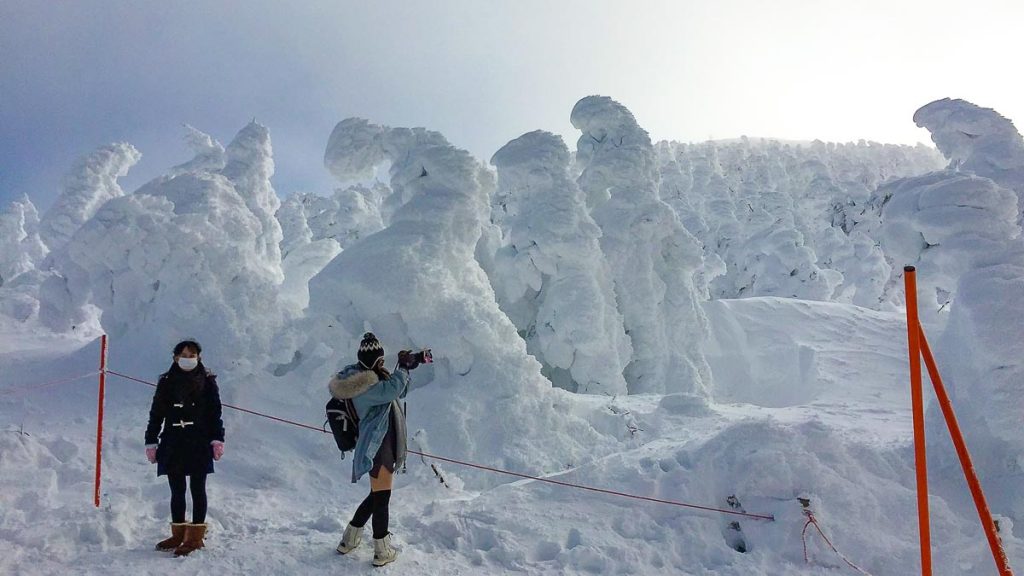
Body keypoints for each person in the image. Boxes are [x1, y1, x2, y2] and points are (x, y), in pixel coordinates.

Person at [329, 332, 424, 567]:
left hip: (383, 444)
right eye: (380, 361)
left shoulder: (367, 377)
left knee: (377, 495)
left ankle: (349, 538)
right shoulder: (364, 387)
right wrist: (402, 367)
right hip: (377, 447)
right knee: (382, 498)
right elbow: (391, 391)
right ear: (372, 361)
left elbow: (398, 390)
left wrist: (408, 366)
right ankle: (382, 549)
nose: (382, 364)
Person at [144, 339, 225, 556]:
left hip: (198, 440)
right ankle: (178, 533)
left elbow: (214, 413)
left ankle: (195, 537)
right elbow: (156, 414)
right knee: (176, 489)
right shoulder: (166, 382)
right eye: (184, 355)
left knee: (198, 488)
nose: (187, 359)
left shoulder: (208, 382)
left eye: (192, 355)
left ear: (198, 357)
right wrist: (151, 440)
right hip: (173, 441)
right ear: (175, 357)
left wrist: (217, 438)